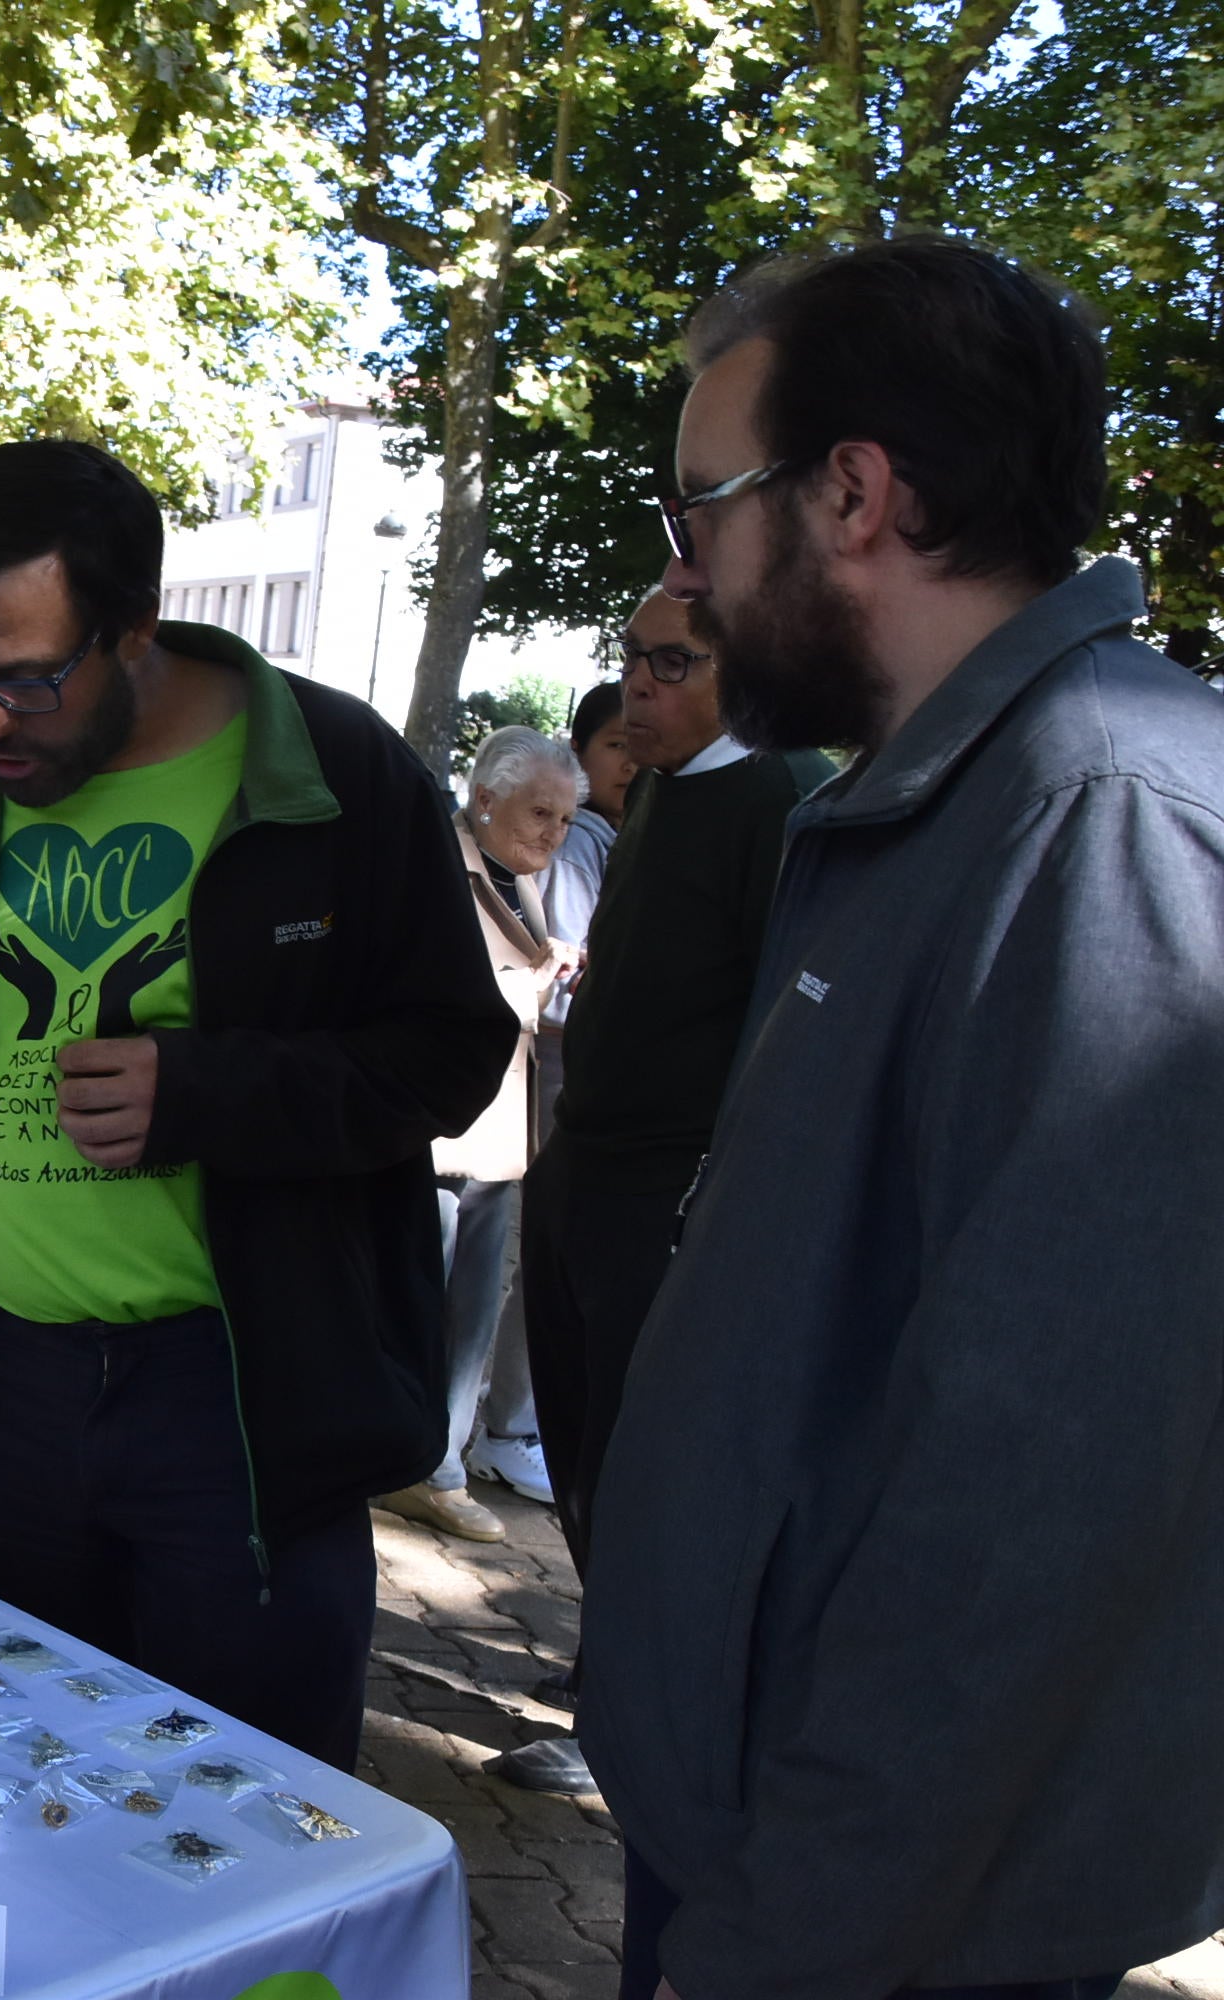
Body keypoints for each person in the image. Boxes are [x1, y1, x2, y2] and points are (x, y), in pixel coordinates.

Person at [585, 238, 1224, 2000]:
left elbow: (1033, 1522)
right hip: (754, 1835)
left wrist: (790, 1942)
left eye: (698, 505)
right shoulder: (941, 795)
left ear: (853, 493)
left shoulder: (1104, 822)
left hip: (862, 1924)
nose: (683, 570)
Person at [0, 440, 513, 1771]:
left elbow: (455, 1054)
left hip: (240, 1403)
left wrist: (210, 1093)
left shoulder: (339, 772)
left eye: (29, 680)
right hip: (5, 1391)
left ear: (135, 632)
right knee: (8, 1778)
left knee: (241, 1810)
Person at [495, 586, 830, 1795]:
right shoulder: (669, 789)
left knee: (646, 1466)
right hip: (583, 1164)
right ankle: (617, 1676)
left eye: (670, 660)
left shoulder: (781, 797)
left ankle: (642, 1723)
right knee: (582, 1450)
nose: (636, 682)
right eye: (630, 657)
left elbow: (785, 1016)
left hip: (671, 1194)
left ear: (751, 667)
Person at [376, 726, 579, 1543]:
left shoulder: (521, 874)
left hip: (496, 1131)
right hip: (440, 1129)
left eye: (565, 819)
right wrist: (533, 979)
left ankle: (439, 1460)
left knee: (472, 1308)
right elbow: (422, 982)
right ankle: (419, 1463)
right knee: (429, 1295)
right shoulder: (435, 863)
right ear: (485, 799)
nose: (553, 834)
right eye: (541, 812)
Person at [543, 679, 635, 948]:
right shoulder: (573, 845)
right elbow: (563, 967)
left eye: (642, 746)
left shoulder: (618, 837)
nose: (632, 764)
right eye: (617, 745)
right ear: (577, 750)